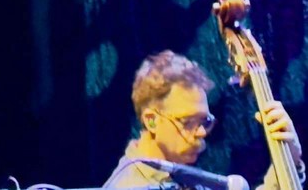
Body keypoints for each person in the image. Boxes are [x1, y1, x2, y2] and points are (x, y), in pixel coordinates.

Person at [104, 50, 303, 189]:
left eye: (205, 122)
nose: (201, 132)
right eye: (188, 121)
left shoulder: (183, 177)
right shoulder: (129, 185)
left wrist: (289, 157)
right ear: (152, 121)